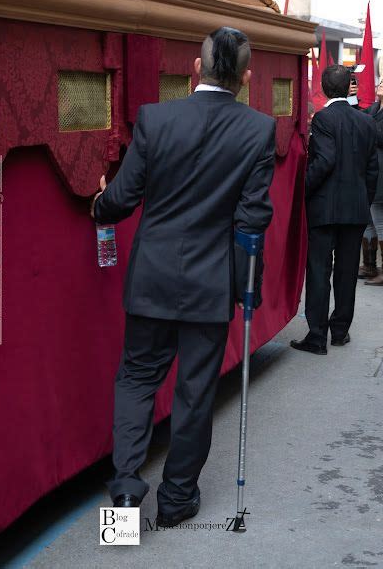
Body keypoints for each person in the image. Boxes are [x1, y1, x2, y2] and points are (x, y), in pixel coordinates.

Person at [90, 27, 276, 527]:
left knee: (136, 380)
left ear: (195, 70)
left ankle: (125, 504)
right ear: (246, 77)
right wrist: (243, 291)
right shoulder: (259, 131)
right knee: (194, 393)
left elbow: (123, 198)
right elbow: (253, 220)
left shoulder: (156, 118)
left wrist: (98, 206)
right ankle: (175, 503)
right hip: (209, 286)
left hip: (151, 277)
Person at [291, 65, 378, 356]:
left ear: (325, 89)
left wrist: (304, 189)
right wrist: (363, 201)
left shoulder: (324, 118)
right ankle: (340, 332)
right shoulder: (366, 122)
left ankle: (317, 336)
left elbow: (324, 161)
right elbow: (372, 169)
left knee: (319, 270)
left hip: (324, 207)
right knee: (346, 271)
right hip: (354, 208)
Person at [360, 77, 383, 286]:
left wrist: (370, 129)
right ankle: (369, 265)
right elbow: (357, 118)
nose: (380, 83)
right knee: (367, 217)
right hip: (369, 170)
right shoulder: (373, 109)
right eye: (380, 80)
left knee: (380, 220)